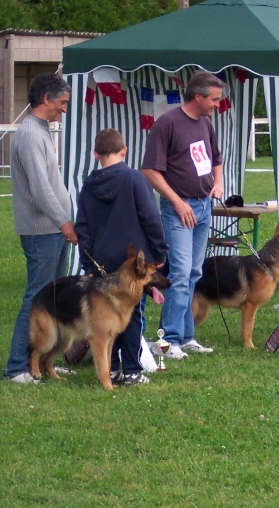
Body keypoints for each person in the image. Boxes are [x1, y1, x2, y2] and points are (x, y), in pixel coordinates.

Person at [75, 129, 169, 385]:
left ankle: (112, 368)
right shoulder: (134, 179)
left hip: (102, 262)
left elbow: (82, 227)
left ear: (96, 154)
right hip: (133, 263)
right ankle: (132, 370)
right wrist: (159, 253)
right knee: (132, 315)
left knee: (107, 318)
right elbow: (151, 218)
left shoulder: (88, 187)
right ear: (124, 151)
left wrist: (88, 264)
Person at [141, 71, 224, 360]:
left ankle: (186, 336)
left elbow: (216, 159)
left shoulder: (206, 123)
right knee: (179, 273)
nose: (217, 104)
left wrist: (218, 182)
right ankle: (168, 339)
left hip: (203, 206)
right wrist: (177, 201)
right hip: (180, 210)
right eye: (214, 99)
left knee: (193, 272)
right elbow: (150, 170)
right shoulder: (167, 124)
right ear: (198, 97)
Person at [3, 73, 77, 384]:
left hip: (54, 230)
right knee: (37, 298)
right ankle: (17, 368)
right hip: (42, 231)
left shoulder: (43, 130)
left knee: (54, 299)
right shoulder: (30, 135)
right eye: (62, 103)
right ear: (46, 99)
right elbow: (39, 188)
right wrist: (64, 221)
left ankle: (44, 363)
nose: (64, 109)